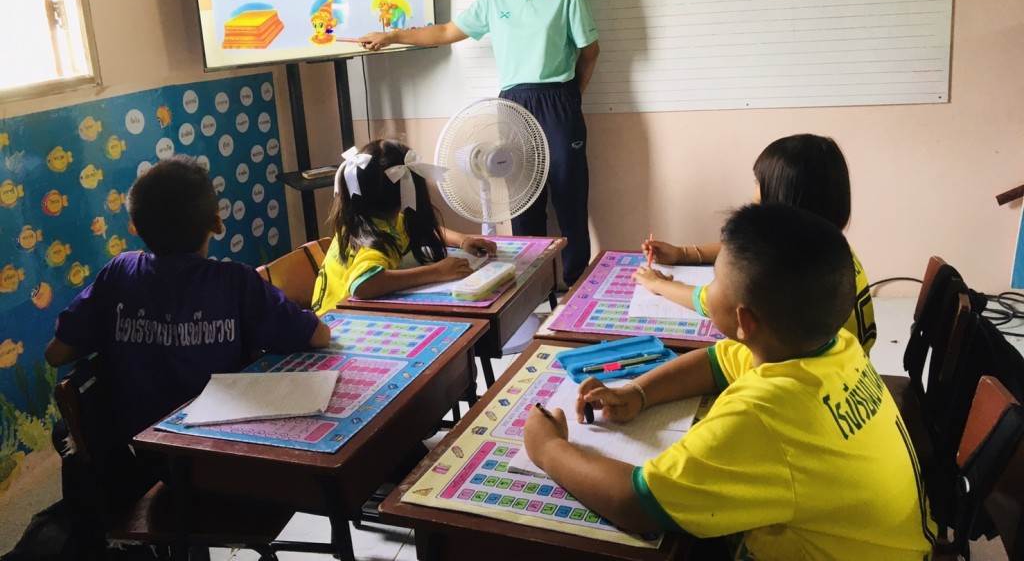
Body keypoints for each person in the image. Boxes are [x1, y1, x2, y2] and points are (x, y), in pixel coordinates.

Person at [523, 203, 936, 560]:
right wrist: (638, 392)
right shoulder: (834, 347)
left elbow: (636, 503)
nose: (709, 288)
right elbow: (717, 362)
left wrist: (548, 449)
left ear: (744, 321)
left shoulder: (764, 415)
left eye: (716, 281)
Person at [44, 155, 330, 504]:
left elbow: (56, 353)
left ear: (135, 226)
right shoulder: (236, 283)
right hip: (228, 463)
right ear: (216, 223)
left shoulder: (119, 273)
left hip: (146, 461)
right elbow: (318, 335)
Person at [358, 0, 600, 287]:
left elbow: (590, 52)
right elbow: (445, 32)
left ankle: (573, 283)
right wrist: (393, 35)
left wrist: (572, 98)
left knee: (570, 194)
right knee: (523, 200)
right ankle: (535, 282)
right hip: (514, 106)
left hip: (559, 101)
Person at [635, 133, 877, 353]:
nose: (755, 190)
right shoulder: (832, 248)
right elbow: (748, 245)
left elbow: (714, 302)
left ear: (779, 194)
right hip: (854, 364)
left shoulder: (786, 271)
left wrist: (658, 284)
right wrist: (683, 254)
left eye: (757, 181)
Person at [311, 139, 496, 311]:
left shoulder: (367, 222)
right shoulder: (379, 239)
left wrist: (463, 240)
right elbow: (362, 284)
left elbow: (419, 229)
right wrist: (436, 272)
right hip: (340, 322)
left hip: (327, 317)